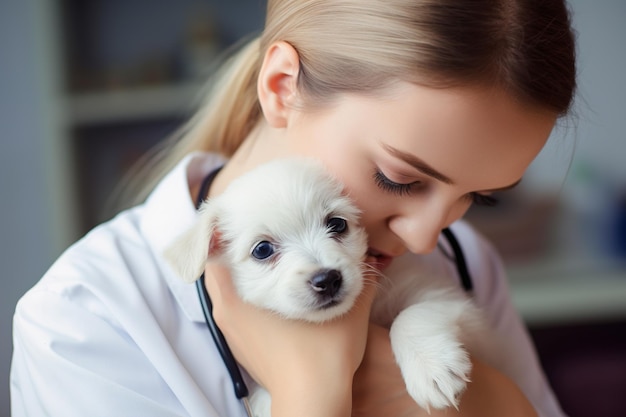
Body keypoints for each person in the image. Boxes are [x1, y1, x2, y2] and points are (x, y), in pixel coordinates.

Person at [11, 0, 577, 416]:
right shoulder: (81, 321)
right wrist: (312, 396)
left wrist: (493, 402)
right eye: (397, 177)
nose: (427, 239)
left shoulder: (467, 257)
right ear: (283, 88)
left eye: (475, 196)